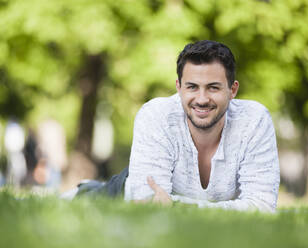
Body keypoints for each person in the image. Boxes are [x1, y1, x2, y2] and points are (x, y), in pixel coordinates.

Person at [68, 40, 280, 212]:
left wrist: (177, 205)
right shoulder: (156, 115)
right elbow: (147, 201)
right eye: (192, 87)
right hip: (125, 188)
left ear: (232, 90)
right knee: (96, 198)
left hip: (177, 197)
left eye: (213, 88)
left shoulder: (255, 120)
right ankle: (84, 189)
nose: (202, 98)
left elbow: (262, 206)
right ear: (178, 87)